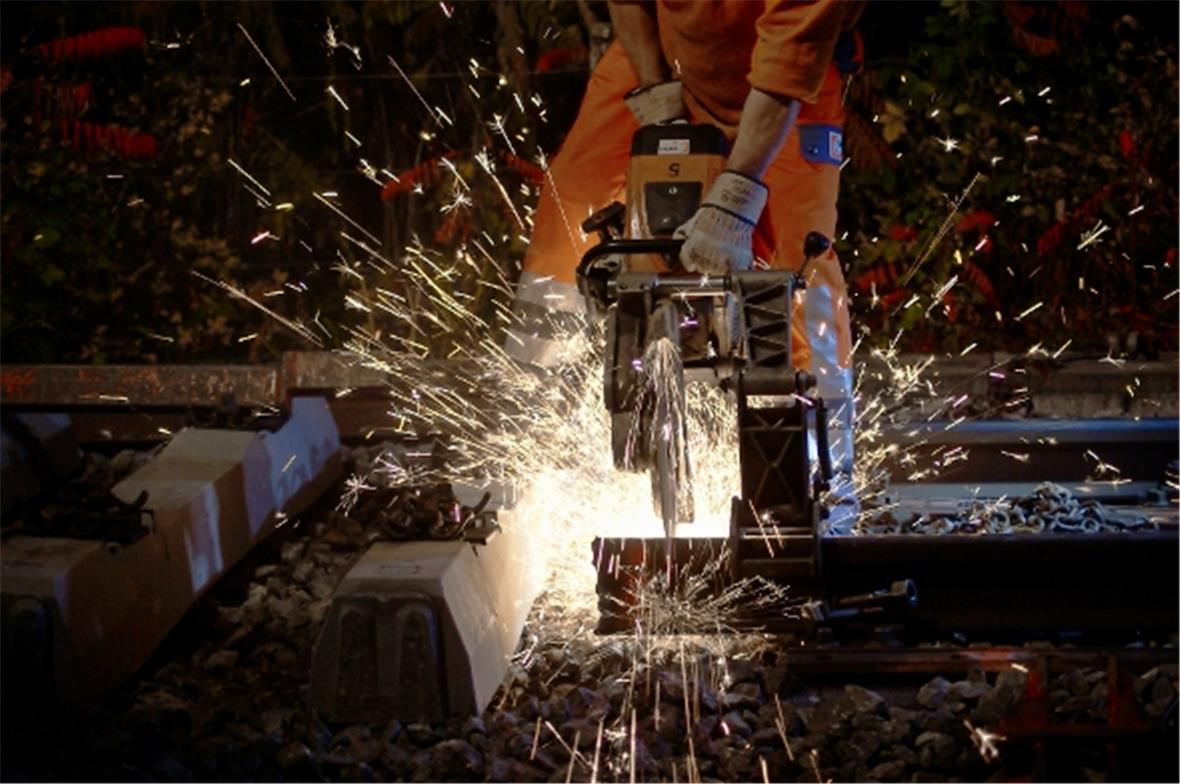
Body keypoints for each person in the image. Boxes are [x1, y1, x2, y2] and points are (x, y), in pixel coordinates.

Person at [506, 0, 863, 529]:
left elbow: (788, 64)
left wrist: (736, 196)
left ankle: (822, 490)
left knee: (797, 266)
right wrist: (657, 94)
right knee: (570, 205)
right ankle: (523, 453)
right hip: (663, 53)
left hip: (785, 80)